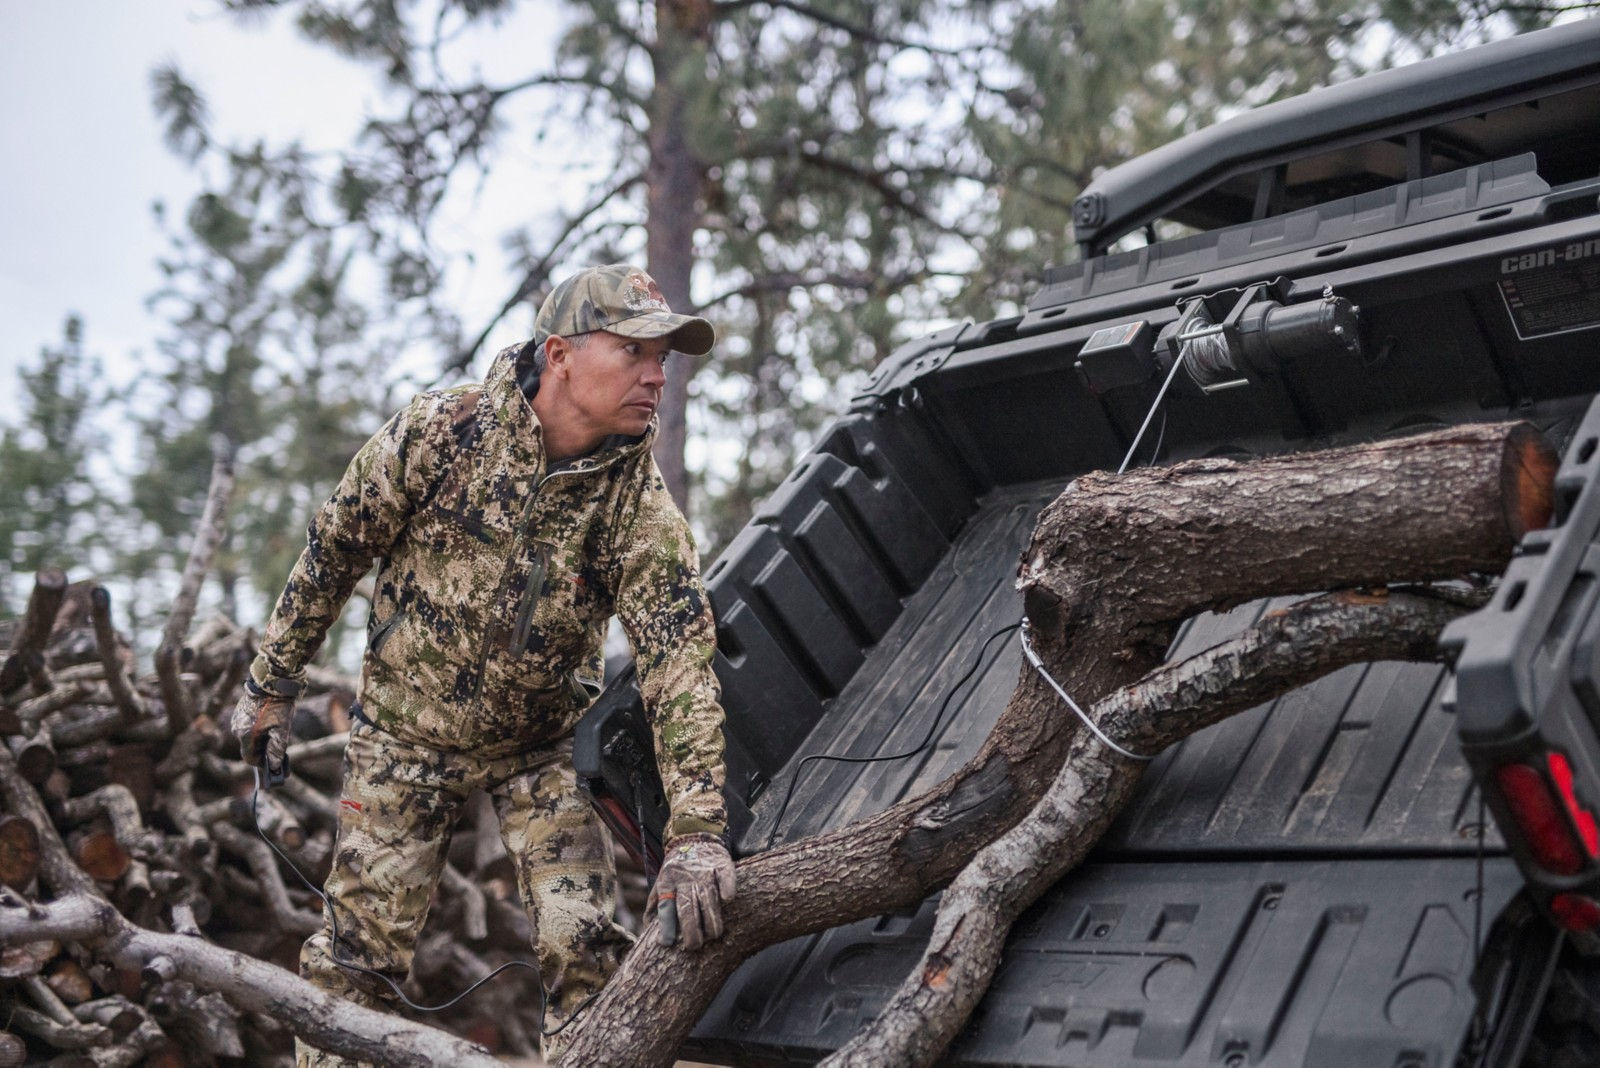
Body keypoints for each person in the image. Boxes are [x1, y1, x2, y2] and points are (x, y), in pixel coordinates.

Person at [231, 264, 736, 1065]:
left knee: (590, 955)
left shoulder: (639, 511)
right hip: (404, 734)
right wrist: (272, 684)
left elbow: (680, 668)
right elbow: (334, 551)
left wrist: (698, 834)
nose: (656, 375)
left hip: (541, 750)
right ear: (560, 353)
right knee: (352, 965)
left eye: (666, 358)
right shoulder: (442, 431)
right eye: (636, 351)